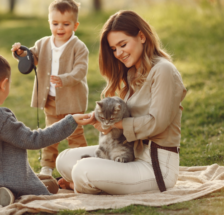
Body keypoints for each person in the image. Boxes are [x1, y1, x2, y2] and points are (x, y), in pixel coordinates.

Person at [56, 10, 187, 195]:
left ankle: (79, 184)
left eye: (122, 44)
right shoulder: (133, 73)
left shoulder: (164, 71)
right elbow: (128, 114)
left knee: (82, 170)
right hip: (128, 153)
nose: (118, 53)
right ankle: (95, 182)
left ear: (142, 36)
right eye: (113, 49)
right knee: (64, 159)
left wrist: (113, 124)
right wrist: (98, 118)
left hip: (156, 166)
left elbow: (157, 123)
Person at [0, 52, 93, 206]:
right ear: (4, 84)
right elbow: (33, 139)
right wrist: (69, 121)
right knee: (39, 183)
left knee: (41, 179)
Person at [11, 0, 89, 176]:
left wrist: (64, 79)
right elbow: (32, 57)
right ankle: (47, 166)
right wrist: (21, 53)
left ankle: (83, 164)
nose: (60, 28)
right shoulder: (43, 43)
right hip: (50, 100)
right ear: (49, 23)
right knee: (49, 135)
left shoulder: (79, 47)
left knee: (75, 134)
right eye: (55, 24)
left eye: (65, 24)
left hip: (72, 100)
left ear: (75, 25)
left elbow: (81, 70)